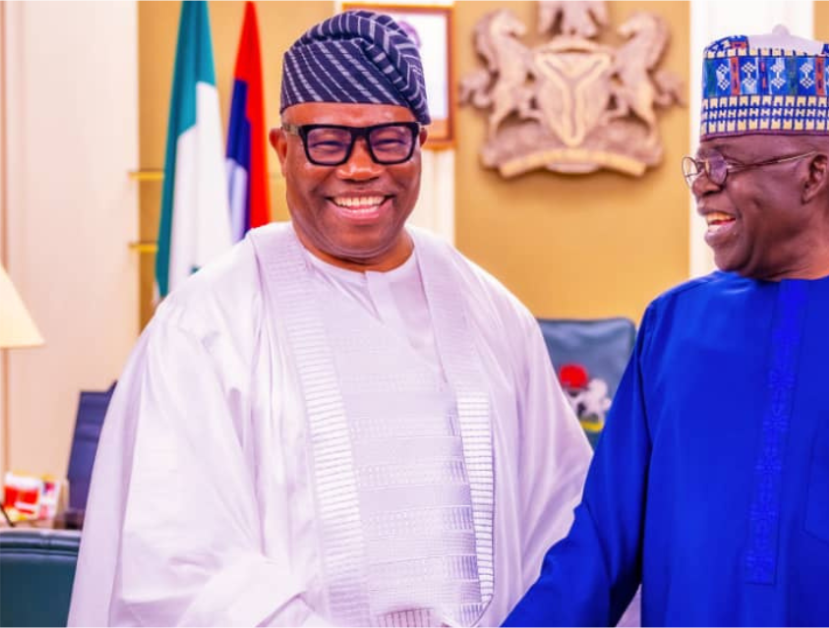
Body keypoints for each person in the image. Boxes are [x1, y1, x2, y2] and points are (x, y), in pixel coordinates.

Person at [69, 11, 591, 627]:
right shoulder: (206, 326)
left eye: (388, 138)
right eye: (327, 140)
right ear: (282, 148)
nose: (360, 166)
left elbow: (562, 521)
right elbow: (179, 565)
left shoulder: (492, 315)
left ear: (419, 144)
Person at [504, 27, 829, 627]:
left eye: (725, 162)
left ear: (814, 173)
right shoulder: (673, 327)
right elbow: (600, 547)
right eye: (701, 163)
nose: (702, 183)